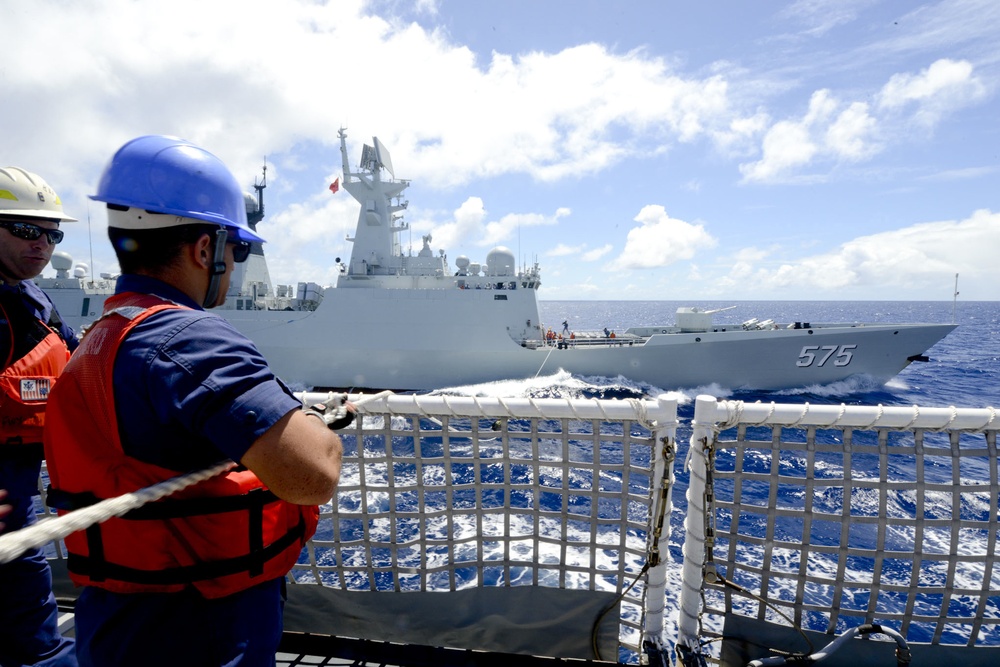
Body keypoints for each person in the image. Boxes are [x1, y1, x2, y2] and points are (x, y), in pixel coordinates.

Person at [42, 136, 344, 667]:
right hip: (198, 630)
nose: (236, 259)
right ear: (206, 249)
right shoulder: (188, 339)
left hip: (120, 621)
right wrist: (317, 423)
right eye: (238, 248)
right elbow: (310, 475)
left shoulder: (105, 334)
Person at [0, 166, 79, 667]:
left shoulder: (34, 302)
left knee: (27, 603)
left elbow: (81, 354)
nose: (43, 244)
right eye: (27, 230)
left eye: (53, 233)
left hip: (18, 488)